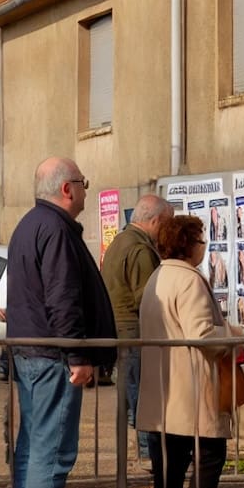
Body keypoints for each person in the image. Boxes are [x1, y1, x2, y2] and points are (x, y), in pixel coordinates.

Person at [6, 156, 116, 488]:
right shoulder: (55, 229)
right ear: (67, 189)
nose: (86, 189)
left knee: (34, 447)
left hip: (36, 352)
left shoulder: (31, 225)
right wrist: (77, 353)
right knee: (52, 449)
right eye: (83, 182)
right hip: (53, 356)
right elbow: (63, 297)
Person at [139, 215, 240, 488]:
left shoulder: (158, 276)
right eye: (200, 240)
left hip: (162, 385)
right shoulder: (189, 280)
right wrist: (231, 334)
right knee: (210, 454)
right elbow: (202, 335)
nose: (204, 246)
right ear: (187, 244)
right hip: (191, 385)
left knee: (169, 464)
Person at [100, 194, 173, 462]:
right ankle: (148, 455)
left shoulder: (120, 241)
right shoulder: (140, 249)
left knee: (132, 395)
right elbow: (148, 297)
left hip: (120, 332)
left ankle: (144, 453)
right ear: (156, 221)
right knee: (143, 397)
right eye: (168, 223)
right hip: (134, 333)